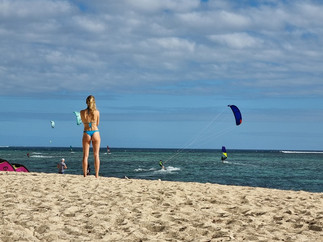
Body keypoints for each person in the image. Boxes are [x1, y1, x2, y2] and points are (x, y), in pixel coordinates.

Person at [80, 95, 101, 178]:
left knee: (85, 155)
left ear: (86, 102)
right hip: (95, 131)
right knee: (96, 155)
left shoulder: (82, 112)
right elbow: (98, 123)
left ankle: (85, 174)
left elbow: (82, 121)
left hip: (86, 132)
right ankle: (96, 175)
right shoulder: (97, 112)